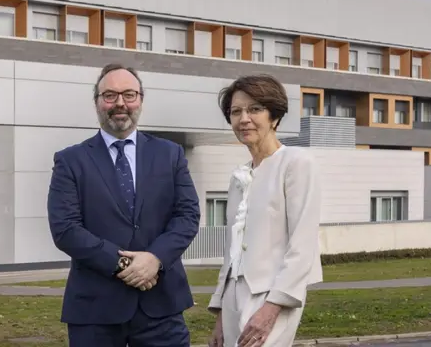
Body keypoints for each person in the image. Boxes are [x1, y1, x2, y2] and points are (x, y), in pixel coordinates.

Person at [46, 63, 201, 346]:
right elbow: (65, 228)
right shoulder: (70, 161)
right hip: (95, 310)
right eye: (110, 95)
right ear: (97, 102)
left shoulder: (170, 154)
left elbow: (188, 215)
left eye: (129, 94)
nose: (120, 103)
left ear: (141, 99)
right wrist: (125, 265)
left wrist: (154, 260)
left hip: (161, 306)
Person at [207, 74, 324, 347]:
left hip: (273, 293)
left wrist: (272, 308)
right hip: (233, 295)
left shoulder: (296, 162)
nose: (243, 118)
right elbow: (232, 252)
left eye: (255, 109)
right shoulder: (239, 176)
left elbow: (303, 245)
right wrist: (221, 314)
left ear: (274, 117)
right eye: (236, 112)